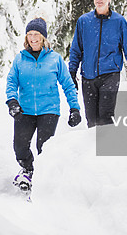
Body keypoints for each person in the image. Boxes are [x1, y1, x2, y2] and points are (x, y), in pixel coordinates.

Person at [5, 17, 81, 191]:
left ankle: (43, 182)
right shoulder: (20, 60)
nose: (33, 38)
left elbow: (68, 84)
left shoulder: (55, 59)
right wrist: (12, 100)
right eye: (30, 35)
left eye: (36, 34)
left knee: (43, 147)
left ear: (43, 37)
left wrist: (74, 108)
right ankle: (28, 170)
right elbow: (11, 82)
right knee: (20, 147)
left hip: (49, 110)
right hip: (25, 110)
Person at [69, 0, 127, 128]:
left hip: (110, 75)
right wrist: (72, 71)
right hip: (88, 77)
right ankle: (93, 150)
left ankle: (108, 147)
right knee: (91, 120)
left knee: (105, 117)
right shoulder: (84, 21)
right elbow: (76, 49)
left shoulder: (119, 22)